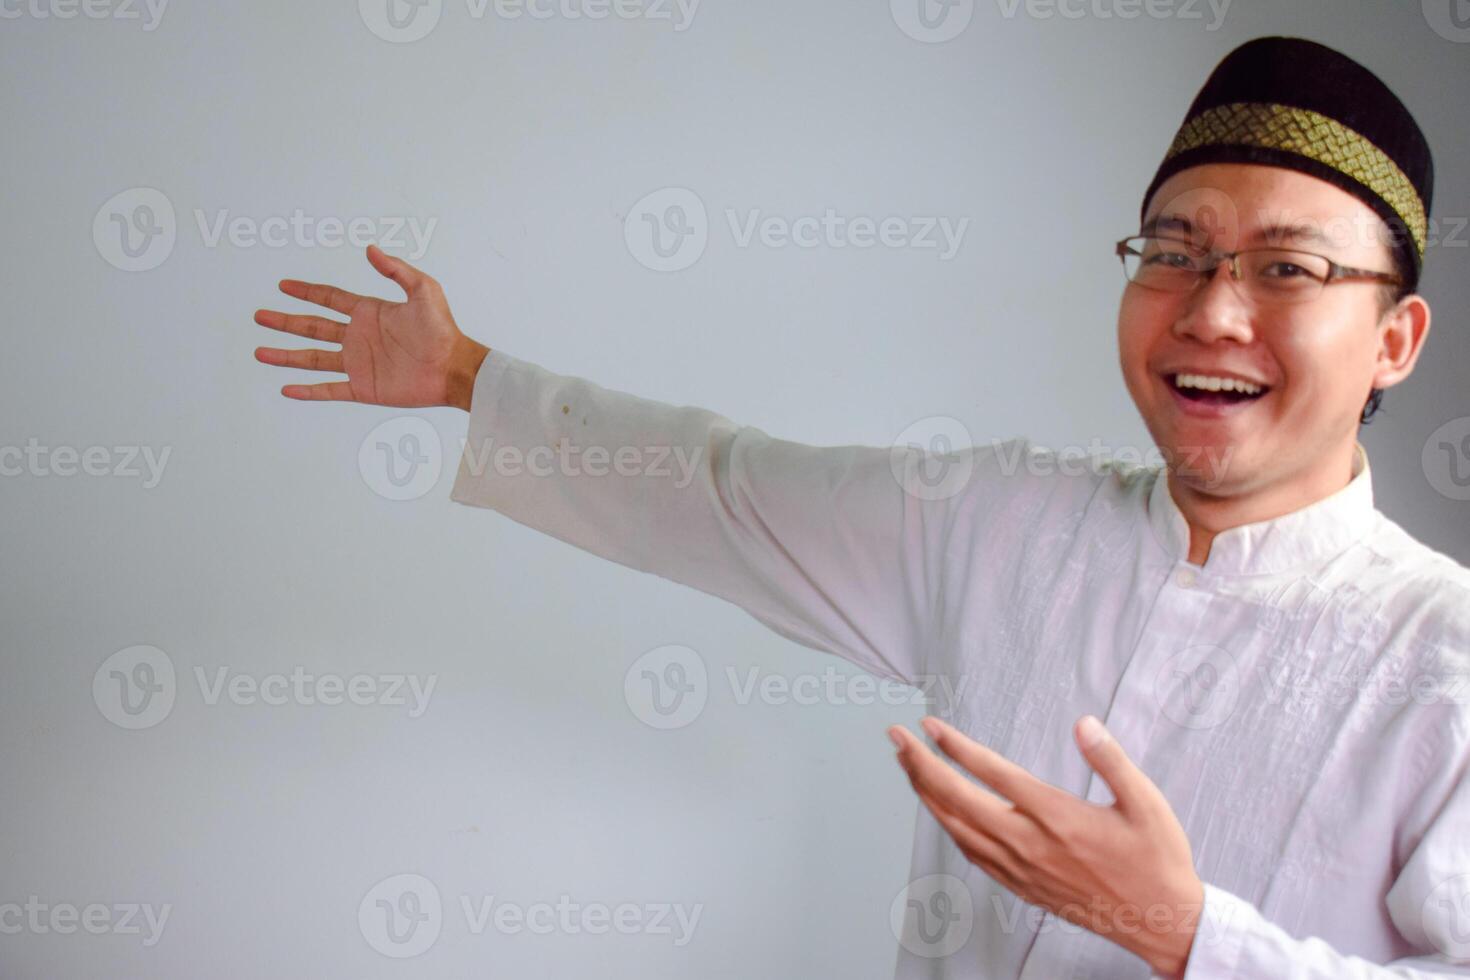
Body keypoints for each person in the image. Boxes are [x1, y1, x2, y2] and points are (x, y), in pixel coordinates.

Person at [253, 35, 1470, 979]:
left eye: (1288, 267)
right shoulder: (1001, 524)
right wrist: (468, 376)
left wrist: (1179, 930)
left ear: (1395, 338)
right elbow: (724, 488)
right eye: (1173, 250)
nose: (1210, 309)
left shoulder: (1443, 658)